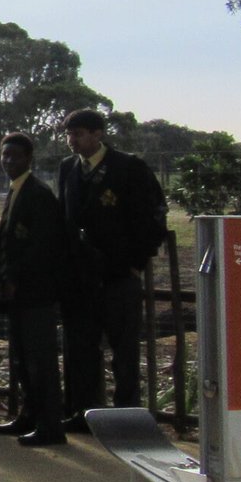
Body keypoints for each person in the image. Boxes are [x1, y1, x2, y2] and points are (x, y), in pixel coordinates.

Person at [57, 108, 168, 428]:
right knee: (82, 348)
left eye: (78, 134)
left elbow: (153, 216)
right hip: (81, 278)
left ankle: (126, 417)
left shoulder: (128, 167)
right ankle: (85, 413)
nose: (72, 141)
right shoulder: (68, 169)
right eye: (69, 135)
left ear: (98, 134)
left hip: (118, 276)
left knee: (124, 350)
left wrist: (135, 263)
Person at [0, 132, 68, 447]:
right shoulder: (16, 190)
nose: (9, 161)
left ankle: (50, 425)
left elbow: (42, 246)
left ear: (29, 158)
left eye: (15, 155)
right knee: (22, 359)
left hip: (36, 291)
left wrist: (15, 277)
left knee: (41, 361)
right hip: (19, 293)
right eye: (5, 155)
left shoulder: (38, 194)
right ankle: (30, 415)